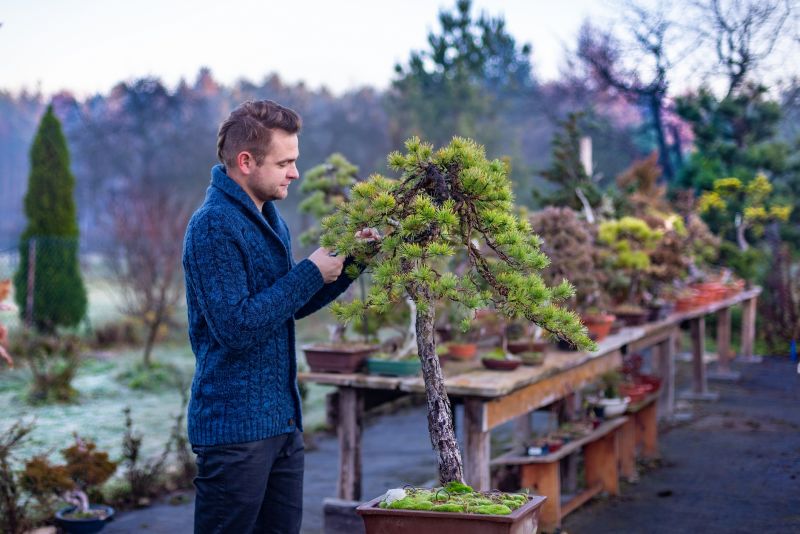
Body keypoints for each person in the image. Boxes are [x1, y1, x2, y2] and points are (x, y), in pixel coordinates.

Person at [182, 100, 376, 534]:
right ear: (246, 162)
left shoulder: (269, 218)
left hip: (282, 425)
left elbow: (286, 305)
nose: (295, 173)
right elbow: (236, 327)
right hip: (235, 433)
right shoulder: (213, 225)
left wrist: (353, 262)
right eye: (285, 162)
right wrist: (309, 271)